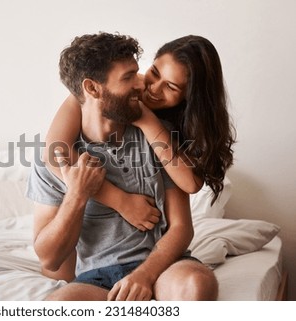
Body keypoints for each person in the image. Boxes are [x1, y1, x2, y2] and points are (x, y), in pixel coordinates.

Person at [26, 32, 218, 300]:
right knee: (57, 303)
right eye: (129, 77)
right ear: (92, 88)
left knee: (196, 283)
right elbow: (49, 258)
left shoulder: (161, 138)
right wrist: (78, 194)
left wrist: (143, 275)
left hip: (163, 269)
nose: (143, 85)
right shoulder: (59, 155)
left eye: (138, 73)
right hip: (97, 277)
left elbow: (184, 216)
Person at [43, 35, 236, 231]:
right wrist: (121, 201)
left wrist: (147, 121)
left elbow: (191, 183)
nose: (152, 88)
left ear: (189, 97)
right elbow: (53, 152)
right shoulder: (101, 93)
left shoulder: (172, 123)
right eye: (154, 72)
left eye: (171, 86)